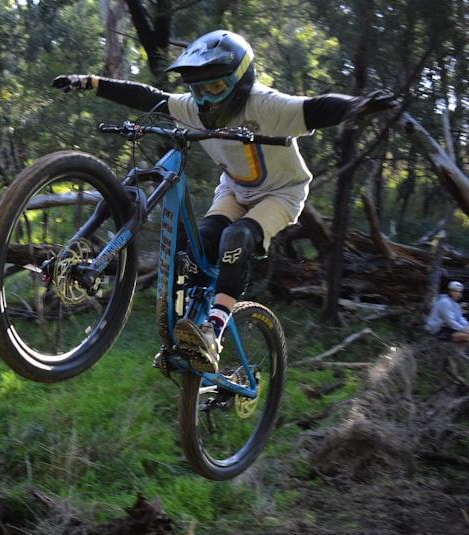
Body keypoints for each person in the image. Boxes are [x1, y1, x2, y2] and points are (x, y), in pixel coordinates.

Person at [52, 30, 395, 372]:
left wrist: (357, 106)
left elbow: (317, 108)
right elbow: (147, 97)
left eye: (215, 87)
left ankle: (212, 334)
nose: (205, 98)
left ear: (240, 83)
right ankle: (185, 335)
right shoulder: (192, 108)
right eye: (197, 88)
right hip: (234, 191)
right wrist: (91, 82)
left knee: (236, 239)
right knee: (196, 245)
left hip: (282, 193)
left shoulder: (266, 104)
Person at [426, 280, 469, 350]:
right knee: (467, 336)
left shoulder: (455, 304)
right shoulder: (445, 302)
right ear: (450, 291)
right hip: (439, 330)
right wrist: (465, 329)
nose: (458, 294)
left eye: (460, 292)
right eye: (456, 291)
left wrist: (467, 325)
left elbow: (460, 318)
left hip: (448, 328)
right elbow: (450, 321)